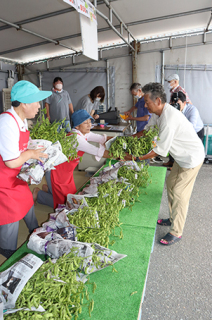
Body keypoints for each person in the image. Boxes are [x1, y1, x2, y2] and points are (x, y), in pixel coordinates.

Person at [138, 82, 205, 246]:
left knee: (180, 193)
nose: (145, 105)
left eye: (147, 102)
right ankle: (172, 218)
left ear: (158, 101)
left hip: (192, 159)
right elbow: (146, 130)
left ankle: (176, 231)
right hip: (181, 157)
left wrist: (135, 158)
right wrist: (131, 138)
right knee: (171, 184)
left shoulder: (169, 119)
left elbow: (159, 151)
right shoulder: (157, 113)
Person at [33, 109, 132, 209]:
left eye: (90, 122)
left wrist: (123, 141)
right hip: (57, 171)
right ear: (77, 126)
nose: (89, 125)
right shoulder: (76, 139)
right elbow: (99, 152)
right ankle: (39, 194)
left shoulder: (83, 133)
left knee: (70, 196)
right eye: (85, 123)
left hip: (66, 170)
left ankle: (49, 190)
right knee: (67, 205)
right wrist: (123, 155)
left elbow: (101, 138)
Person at [0, 80, 51, 258]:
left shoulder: (21, 120)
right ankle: (7, 253)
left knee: (28, 202)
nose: (39, 106)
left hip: (15, 178)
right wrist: (30, 153)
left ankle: (36, 233)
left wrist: (33, 152)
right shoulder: (7, 122)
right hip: (3, 181)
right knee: (11, 216)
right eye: (36, 102)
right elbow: (12, 162)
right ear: (24, 104)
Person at [164, 74, 192, 167]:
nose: (168, 84)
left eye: (169, 82)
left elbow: (187, 103)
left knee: (177, 142)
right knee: (172, 140)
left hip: (179, 119)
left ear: (175, 81)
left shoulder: (180, 91)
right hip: (174, 118)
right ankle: (171, 161)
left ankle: (176, 164)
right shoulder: (173, 91)